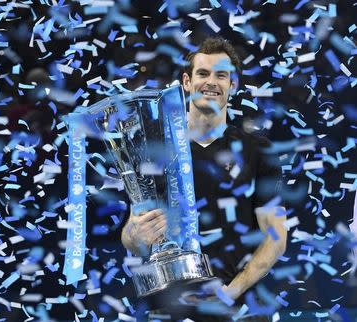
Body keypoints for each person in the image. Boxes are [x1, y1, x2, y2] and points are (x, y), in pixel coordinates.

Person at [121, 37, 287, 321]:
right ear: (187, 82)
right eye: (203, 73)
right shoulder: (155, 150)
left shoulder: (259, 150)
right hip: (168, 307)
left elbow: (276, 238)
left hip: (238, 308)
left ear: (232, 86)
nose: (212, 82)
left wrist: (232, 291)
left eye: (221, 75)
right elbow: (131, 236)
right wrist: (135, 235)